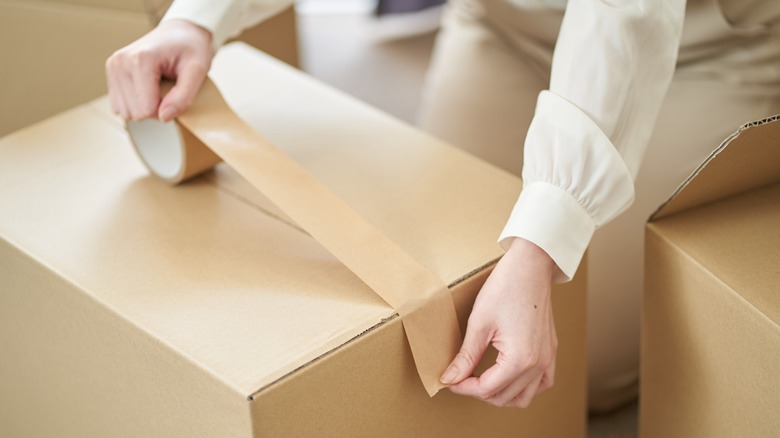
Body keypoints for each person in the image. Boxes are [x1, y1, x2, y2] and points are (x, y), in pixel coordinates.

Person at [106, 0, 780, 411]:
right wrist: (198, 18)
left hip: (699, 43)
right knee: (453, 280)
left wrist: (543, 245)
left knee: (580, 365)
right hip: (507, 20)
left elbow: (623, 18)